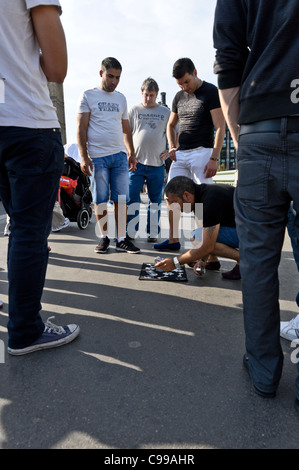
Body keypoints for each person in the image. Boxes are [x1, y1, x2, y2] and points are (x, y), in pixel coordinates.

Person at [214, 0, 299, 409]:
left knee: (259, 264)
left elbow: (228, 62)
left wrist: (243, 139)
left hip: (260, 127)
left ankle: (264, 370)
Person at [0, 0, 80, 355]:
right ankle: (25, 330)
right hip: (26, 120)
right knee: (29, 232)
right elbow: (56, 67)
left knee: (17, 226)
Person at [154, 58, 225, 266]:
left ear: (194, 72)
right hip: (182, 153)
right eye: (180, 84)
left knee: (202, 203)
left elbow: (220, 126)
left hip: (202, 152)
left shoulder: (211, 91)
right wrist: (172, 145)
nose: (185, 87)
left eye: (186, 81)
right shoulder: (178, 96)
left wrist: (214, 157)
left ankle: (209, 254)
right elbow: (171, 124)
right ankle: (174, 240)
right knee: (171, 194)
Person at [77, 57, 140, 254]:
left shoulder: (121, 98)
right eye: (110, 76)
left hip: (120, 156)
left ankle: (121, 239)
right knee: (101, 199)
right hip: (97, 157)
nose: (114, 81)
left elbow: (126, 129)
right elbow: (81, 128)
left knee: (122, 199)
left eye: (118, 78)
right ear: (101, 73)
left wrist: (131, 152)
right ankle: (104, 237)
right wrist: (83, 156)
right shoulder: (88, 96)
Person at [155, 176, 240, 280]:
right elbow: (206, 233)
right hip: (246, 230)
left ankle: (244, 259)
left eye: (174, 202)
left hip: (253, 235)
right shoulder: (201, 195)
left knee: (197, 236)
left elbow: (207, 245)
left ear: (186, 195)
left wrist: (175, 262)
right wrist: (202, 260)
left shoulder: (210, 200)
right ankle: (212, 261)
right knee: (199, 235)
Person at [127, 78, 171, 242]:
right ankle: (131, 231)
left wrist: (171, 149)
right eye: (146, 95)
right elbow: (126, 134)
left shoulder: (165, 112)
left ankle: (152, 232)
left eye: (152, 95)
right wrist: (129, 153)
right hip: (136, 163)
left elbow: (174, 131)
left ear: (156, 94)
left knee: (155, 201)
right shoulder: (134, 110)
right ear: (142, 93)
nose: (148, 98)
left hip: (157, 164)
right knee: (132, 199)